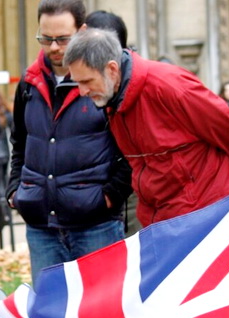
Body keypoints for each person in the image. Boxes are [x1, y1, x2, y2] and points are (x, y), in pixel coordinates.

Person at [64, 28, 229, 227]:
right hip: (165, 223)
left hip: (211, 215)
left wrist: (225, 180)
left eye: (86, 81)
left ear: (112, 69)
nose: (82, 92)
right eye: (77, 83)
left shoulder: (169, 86)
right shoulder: (112, 100)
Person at [7, 0, 133, 286]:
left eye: (62, 39)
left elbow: (131, 148)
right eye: (45, 38)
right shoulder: (28, 83)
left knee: (102, 316)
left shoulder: (105, 79)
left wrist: (109, 197)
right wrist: (15, 190)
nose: (53, 47)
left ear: (83, 31)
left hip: (96, 226)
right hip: (41, 227)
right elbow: (20, 142)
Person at [84, 9, 141, 237]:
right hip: (94, 195)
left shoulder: (138, 84)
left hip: (129, 193)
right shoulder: (82, 80)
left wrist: (113, 191)